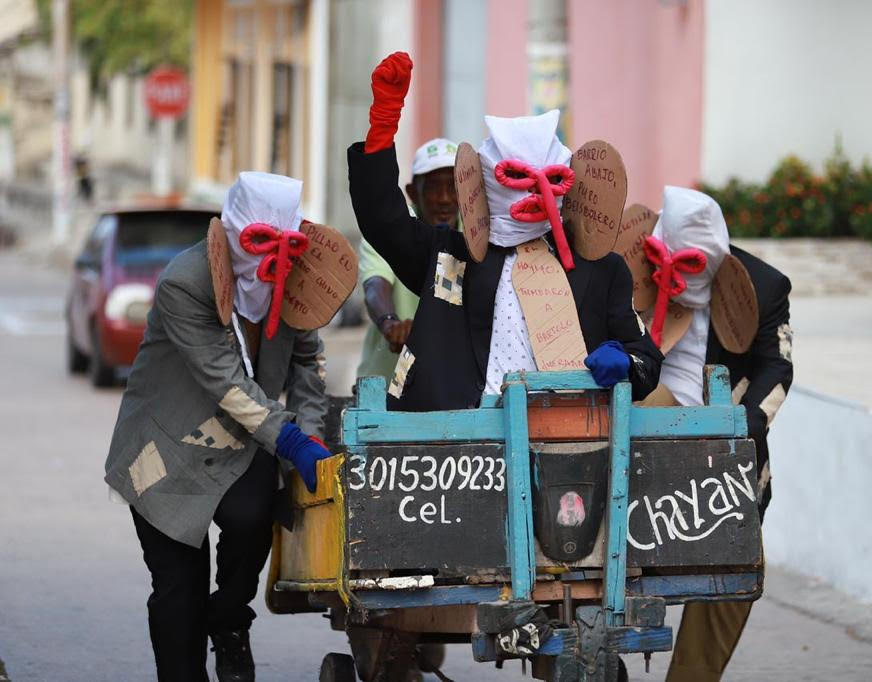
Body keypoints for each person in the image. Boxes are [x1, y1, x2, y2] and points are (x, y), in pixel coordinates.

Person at [103, 172, 340, 682]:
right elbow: (225, 382)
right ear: (232, 236)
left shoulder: (296, 276)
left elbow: (309, 366)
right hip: (166, 450)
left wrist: (313, 435)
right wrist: (292, 440)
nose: (268, 266)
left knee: (255, 520)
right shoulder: (183, 283)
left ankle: (230, 622)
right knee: (178, 589)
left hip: (247, 440)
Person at [348, 52, 662, 413]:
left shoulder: (601, 268)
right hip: (459, 450)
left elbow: (646, 362)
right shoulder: (451, 259)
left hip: (568, 444)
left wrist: (624, 361)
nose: (532, 194)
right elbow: (383, 220)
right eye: (517, 179)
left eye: (548, 181)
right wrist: (382, 126)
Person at [634, 186, 793, 682]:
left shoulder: (764, 286)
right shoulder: (629, 263)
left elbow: (778, 367)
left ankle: (691, 678)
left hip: (722, 435)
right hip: (644, 415)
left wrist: (739, 425)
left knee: (738, 568)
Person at [356, 137, 459, 380]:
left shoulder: (476, 233)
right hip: (386, 382)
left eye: (454, 186)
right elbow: (374, 285)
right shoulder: (389, 230)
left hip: (453, 385)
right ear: (413, 192)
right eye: (433, 187)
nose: (444, 198)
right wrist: (390, 323)